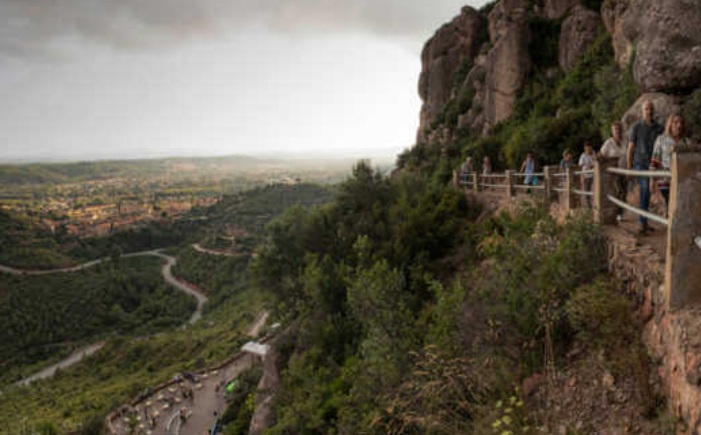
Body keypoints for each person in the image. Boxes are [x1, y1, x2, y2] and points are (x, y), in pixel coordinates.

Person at [627, 100, 664, 234]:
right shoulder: (636, 127)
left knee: (657, 191)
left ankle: (645, 221)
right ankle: (642, 223)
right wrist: (629, 167)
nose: (649, 111)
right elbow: (630, 148)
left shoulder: (659, 128)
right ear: (642, 111)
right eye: (646, 109)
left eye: (651, 108)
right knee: (645, 189)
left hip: (654, 164)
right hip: (640, 163)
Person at [650, 114, 690, 211]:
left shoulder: (686, 142)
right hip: (665, 180)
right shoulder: (661, 139)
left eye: (681, 123)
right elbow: (655, 160)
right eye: (675, 122)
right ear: (670, 124)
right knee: (670, 207)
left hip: (682, 181)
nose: (679, 125)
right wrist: (652, 180)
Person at [599, 121, 627, 222]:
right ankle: (616, 213)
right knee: (619, 191)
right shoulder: (608, 143)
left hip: (624, 171)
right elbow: (601, 155)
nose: (618, 131)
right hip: (613, 173)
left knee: (624, 193)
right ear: (612, 131)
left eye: (619, 129)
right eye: (615, 129)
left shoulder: (625, 142)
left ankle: (620, 213)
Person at [578, 142, 596, 208]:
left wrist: (592, 164)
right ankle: (589, 207)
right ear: (585, 148)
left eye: (590, 148)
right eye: (587, 148)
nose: (589, 149)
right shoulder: (583, 156)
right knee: (587, 191)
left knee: (594, 190)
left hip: (594, 175)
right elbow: (580, 166)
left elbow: (596, 162)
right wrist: (581, 175)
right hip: (586, 176)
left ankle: (594, 205)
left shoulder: (593, 154)